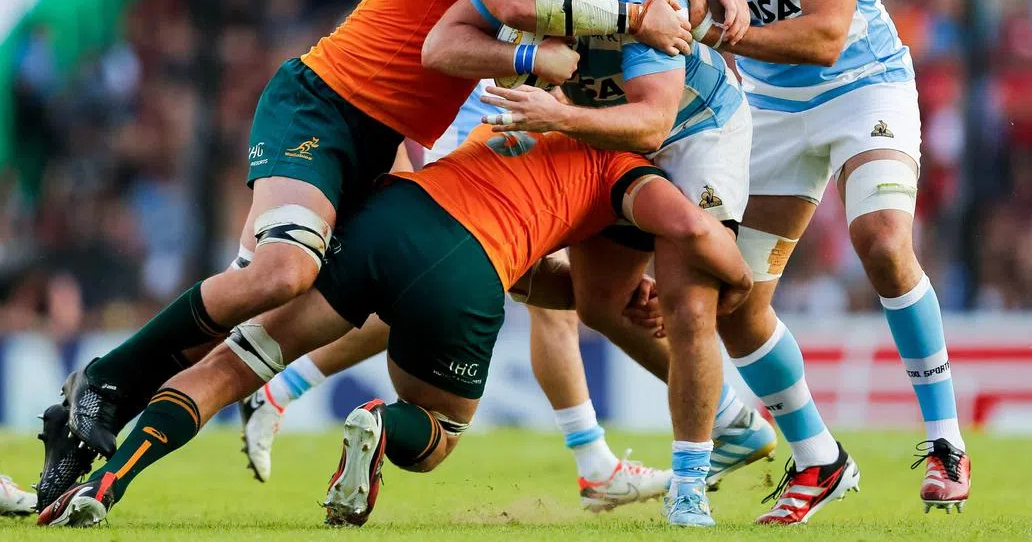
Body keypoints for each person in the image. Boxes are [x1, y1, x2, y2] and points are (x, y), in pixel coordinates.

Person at [35, 0, 692, 509]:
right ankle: (110, 380)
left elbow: (490, 34)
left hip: (383, 158)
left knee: (250, 340)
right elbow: (499, 16)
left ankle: (93, 474)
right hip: (323, 107)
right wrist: (631, 20)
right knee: (280, 277)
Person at [238, 0, 672, 510]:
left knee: (506, 293)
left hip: (507, 122)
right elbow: (450, 39)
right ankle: (598, 461)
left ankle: (277, 386)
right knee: (423, 284)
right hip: (463, 125)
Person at [37, 125, 752, 529]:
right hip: (466, 270)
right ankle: (383, 427)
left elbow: (519, 259)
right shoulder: (630, 167)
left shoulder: (520, 127)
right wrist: (740, 282)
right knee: (437, 435)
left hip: (390, 220)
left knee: (230, 368)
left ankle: (108, 485)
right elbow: (687, 225)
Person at [426, 0, 776, 527]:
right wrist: (532, 54)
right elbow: (439, 45)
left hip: (694, 133)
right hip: (601, 135)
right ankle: (733, 419)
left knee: (685, 302)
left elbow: (652, 123)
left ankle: (690, 486)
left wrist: (555, 116)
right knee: (600, 304)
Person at [667, 0, 971, 522]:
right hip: (773, 111)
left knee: (882, 239)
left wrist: (720, 31)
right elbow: (686, 10)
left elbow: (824, 36)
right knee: (737, 303)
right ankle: (820, 458)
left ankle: (945, 442)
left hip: (865, 90)